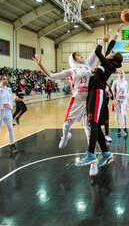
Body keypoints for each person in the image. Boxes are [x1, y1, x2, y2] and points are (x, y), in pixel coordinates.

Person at [33, 44, 99, 175]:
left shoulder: (88, 65)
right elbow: (52, 75)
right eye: (79, 55)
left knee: (89, 132)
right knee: (66, 124)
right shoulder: (71, 70)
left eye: (81, 55)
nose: (82, 56)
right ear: (74, 59)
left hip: (88, 101)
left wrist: (104, 40)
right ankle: (65, 136)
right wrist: (40, 65)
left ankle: (93, 163)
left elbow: (95, 53)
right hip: (76, 99)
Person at [75, 24, 124, 167]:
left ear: (113, 59)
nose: (111, 52)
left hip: (98, 92)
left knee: (94, 123)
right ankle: (106, 152)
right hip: (92, 92)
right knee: (93, 124)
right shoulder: (107, 60)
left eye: (113, 53)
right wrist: (116, 33)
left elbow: (98, 51)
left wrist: (102, 40)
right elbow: (110, 47)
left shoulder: (109, 65)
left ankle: (90, 153)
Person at [0, 75, 27, 153]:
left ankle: (12, 145)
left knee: (10, 128)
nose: (5, 80)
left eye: (6, 79)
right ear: (0, 80)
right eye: (3, 79)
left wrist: (22, 100)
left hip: (7, 111)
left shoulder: (9, 89)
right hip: (0, 110)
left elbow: (12, 98)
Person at [112, 70, 129, 136]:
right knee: (117, 114)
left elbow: (127, 91)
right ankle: (118, 128)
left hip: (124, 100)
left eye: (122, 73)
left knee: (124, 114)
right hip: (117, 100)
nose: (121, 74)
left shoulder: (126, 82)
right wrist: (113, 100)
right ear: (118, 74)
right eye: (119, 73)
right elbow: (111, 90)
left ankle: (125, 127)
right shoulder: (115, 82)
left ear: (124, 74)